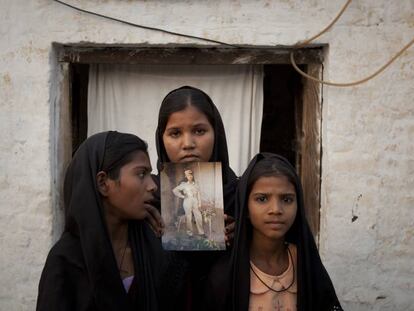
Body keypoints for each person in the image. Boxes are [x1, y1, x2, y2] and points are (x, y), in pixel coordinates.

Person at [36, 131, 187, 311]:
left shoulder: (154, 249)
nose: (152, 185)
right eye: (141, 174)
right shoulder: (66, 261)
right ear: (103, 183)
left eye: (150, 174)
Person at [204, 153, 343, 311]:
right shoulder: (225, 274)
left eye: (287, 199)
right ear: (246, 207)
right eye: (262, 199)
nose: (276, 210)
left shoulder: (305, 264)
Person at [154, 86, 239, 309]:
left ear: (216, 133)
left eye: (199, 131)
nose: (188, 143)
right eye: (175, 133)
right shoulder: (146, 198)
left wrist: (245, 235)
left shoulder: (241, 195)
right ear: (161, 138)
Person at [172, 168, 204, 236]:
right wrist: (182, 196)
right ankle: (190, 233)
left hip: (195, 201)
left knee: (198, 216)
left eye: (191, 175)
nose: (190, 176)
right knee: (188, 217)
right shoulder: (183, 184)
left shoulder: (195, 184)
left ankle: (201, 233)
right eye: (188, 175)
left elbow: (198, 194)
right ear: (186, 176)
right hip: (187, 201)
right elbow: (174, 190)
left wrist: (200, 203)